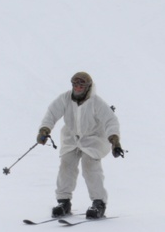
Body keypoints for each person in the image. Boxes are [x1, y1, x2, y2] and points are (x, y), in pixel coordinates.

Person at [37, 71, 124, 219]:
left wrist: (114, 141)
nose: (77, 87)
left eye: (81, 85)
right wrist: (44, 129)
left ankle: (99, 202)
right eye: (75, 84)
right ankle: (63, 201)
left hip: (94, 139)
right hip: (71, 138)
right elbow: (51, 113)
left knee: (90, 166)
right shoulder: (65, 99)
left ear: (88, 87)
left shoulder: (96, 102)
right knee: (66, 165)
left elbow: (111, 121)